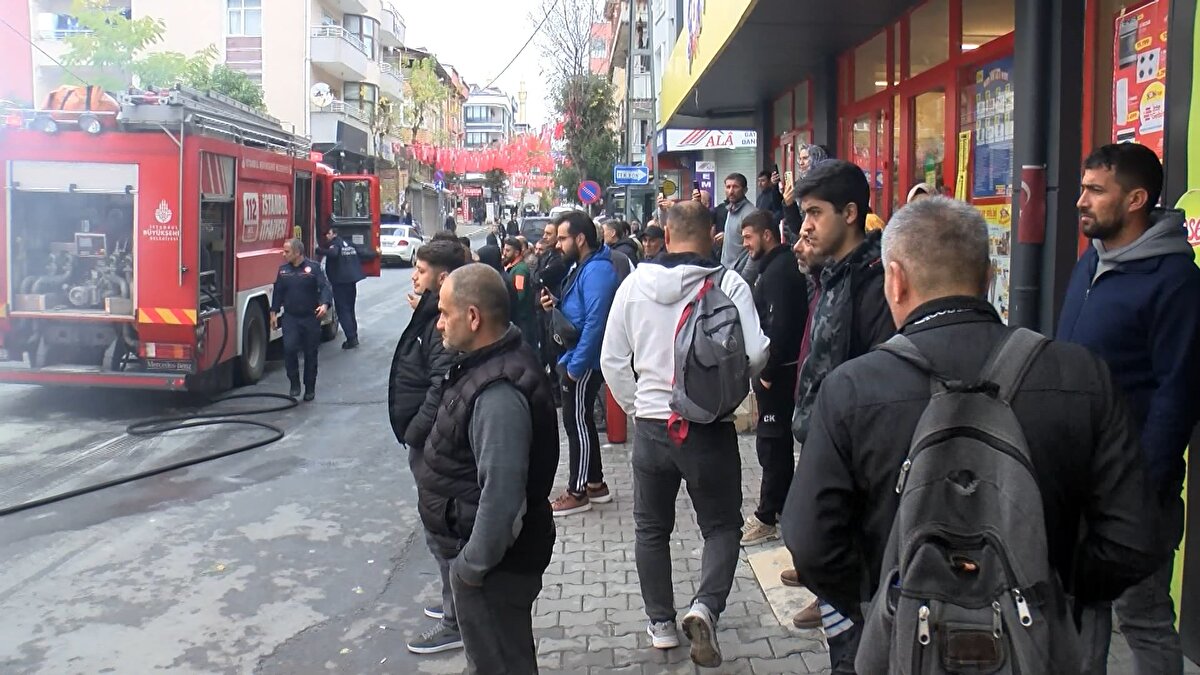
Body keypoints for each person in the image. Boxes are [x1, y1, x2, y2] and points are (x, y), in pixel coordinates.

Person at [782, 196, 1162, 672]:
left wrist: (879, 598)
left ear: (894, 280)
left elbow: (810, 539)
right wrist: (1057, 591)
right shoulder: (1080, 375)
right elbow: (1134, 537)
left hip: (904, 643)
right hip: (1038, 647)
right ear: (989, 278)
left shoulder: (853, 387)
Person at [600, 200, 769, 667]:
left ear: (667, 236)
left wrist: (639, 407)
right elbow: (756, 354)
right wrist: (724, 391)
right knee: (721, 525)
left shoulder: (635, 285)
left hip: (654, 430)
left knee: (651, 527)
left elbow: (611, 361)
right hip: (709, 428)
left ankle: (660, 625)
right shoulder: (729, 282)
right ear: (714, 233)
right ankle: (705, 606)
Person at [1056, 143, 1200, 674]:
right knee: (1080, 611)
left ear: (1137, 198)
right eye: (1083, 188)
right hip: (1077, 478)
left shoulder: (1175, 282)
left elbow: (1178, 392)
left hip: (1135, 490)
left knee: (1142, 617)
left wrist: (1145, 486)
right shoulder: (1090, 261)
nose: (1080, 201)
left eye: (1096, 190)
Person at [424, 264, 559, 675]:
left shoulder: (497, 392)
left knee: (501, 663)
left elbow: (502, 499)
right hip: (489, 565)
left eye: (445, 313)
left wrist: (469, 570)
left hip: (493, 570)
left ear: (474, 317)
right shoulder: (486, 364)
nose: (439, 325)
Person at [785, 159, 896, 638]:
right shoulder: (831, 274)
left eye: (815, 213)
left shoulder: (875, 283)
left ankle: (841, 605)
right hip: (822, 433)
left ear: (850, 213)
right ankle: (826, 592)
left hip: (855, 451)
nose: (805, 226)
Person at [390, 241, 466, 655]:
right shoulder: (433, 313)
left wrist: (417, 431)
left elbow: (441, 382)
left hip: (434, 443)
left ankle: (457, 622)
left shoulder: (443, 322)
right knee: (440, 532)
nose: (413, 276)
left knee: (444, 532)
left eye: (419, 270)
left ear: (441, 277)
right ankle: (452, 603)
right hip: (429, 440)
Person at [539, 210, 620, 516]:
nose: (557, 244)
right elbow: (581, 311)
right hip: (575, 355)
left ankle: (578, 490)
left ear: (580, 238)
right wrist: (555, 306)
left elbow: (595, 324)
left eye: (562, 238)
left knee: (578, 424)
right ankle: (596, 484)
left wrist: (575, 367)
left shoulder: (598, 271)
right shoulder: (582, 266)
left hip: (583, 359)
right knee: (578, 420)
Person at [737, 209, 807, 547]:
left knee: (772, 442)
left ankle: (768, 516)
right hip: (775, 371)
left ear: (767, 235)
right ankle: (784, 507)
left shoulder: (779, 272)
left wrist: (768, 370)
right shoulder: (771, 268)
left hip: (778, 373)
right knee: (773, 443)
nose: (745, 244)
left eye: (749, 237)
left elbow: (780, 326)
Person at [269, 239, 331, 401]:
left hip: (310, 318)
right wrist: (273, 313)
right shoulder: (283, 271)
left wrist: (324, 305)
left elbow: (325, 287)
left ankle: (309, 387)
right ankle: (294, 382)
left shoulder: (314, 269)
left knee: (311, 353)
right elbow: (278, 293)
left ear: (297, 253)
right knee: (289, 349)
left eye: (287, 252)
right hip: (291, 318)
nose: (283, 254)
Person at [314, 226, 365, 349]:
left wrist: (318, 250)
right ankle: (354, 335)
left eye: (328, 233)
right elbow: (363, 253)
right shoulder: (348, 243)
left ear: (334, 234)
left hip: (340, 283)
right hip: (351, 281)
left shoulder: (335, 244)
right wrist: (376, 253)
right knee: (350, 309)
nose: (326, 236)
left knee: (343, 311)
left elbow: (333, 253)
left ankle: (351, 338)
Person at [503, 237, 537, 348]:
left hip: (523, 319)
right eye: (504, 250)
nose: (504, 254)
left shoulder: (520, 270)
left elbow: (519, 294)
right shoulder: (513, 268)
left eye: (508, 251)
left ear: (517, 252)